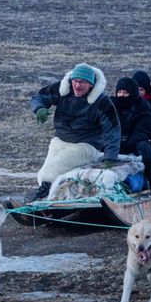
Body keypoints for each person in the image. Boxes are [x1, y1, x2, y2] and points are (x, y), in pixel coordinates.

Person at [28, 63, 120, 201]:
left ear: (91, 84)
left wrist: (110, 156)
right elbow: (39, 96)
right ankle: (52, 197)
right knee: (42, 174)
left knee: (51, 171)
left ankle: (42, 199)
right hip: (60, 142)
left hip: (85, 146)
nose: (77, 85)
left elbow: (112, 129)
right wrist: (39, 108)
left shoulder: (102, 101)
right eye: (75, 81)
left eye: (82, 82)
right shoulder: (63, 90)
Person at [111, 77, 151, 195]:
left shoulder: (142, 107)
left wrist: (129, 144)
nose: (121, 96)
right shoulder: (111, 107)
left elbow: (143, 129)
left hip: (135, 144)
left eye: (125, 93)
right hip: (115, 143)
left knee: (145, 145)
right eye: (119, 92)